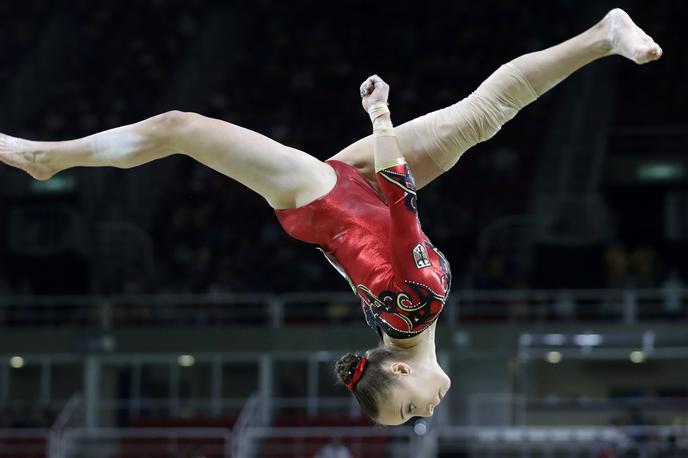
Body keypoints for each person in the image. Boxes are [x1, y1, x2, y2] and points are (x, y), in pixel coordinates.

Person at [0, 9, 661, 425]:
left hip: (328, 195)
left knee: (181, 126)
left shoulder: (414, 312)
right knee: (484, 115)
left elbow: (406, 207)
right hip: (349, 197)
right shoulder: (394, 327)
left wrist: (380, 120)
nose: (425, 413)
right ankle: (603, 35)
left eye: (408, 411)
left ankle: (47, 159)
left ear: (398, 373)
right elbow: (369, 248)